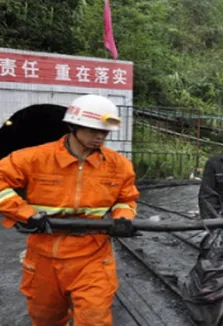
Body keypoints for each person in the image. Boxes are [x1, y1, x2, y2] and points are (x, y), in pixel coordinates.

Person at [0, 94, 140, 326]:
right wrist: (23, 213)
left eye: (104, 132)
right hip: (44, 256)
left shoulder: (118, 166)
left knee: (95, 319)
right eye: (93, 130)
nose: (100, 137)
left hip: (92, 256)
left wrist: (123, 217)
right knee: (46, 318)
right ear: (73, 126)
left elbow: (126, 198)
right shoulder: (35, 158)